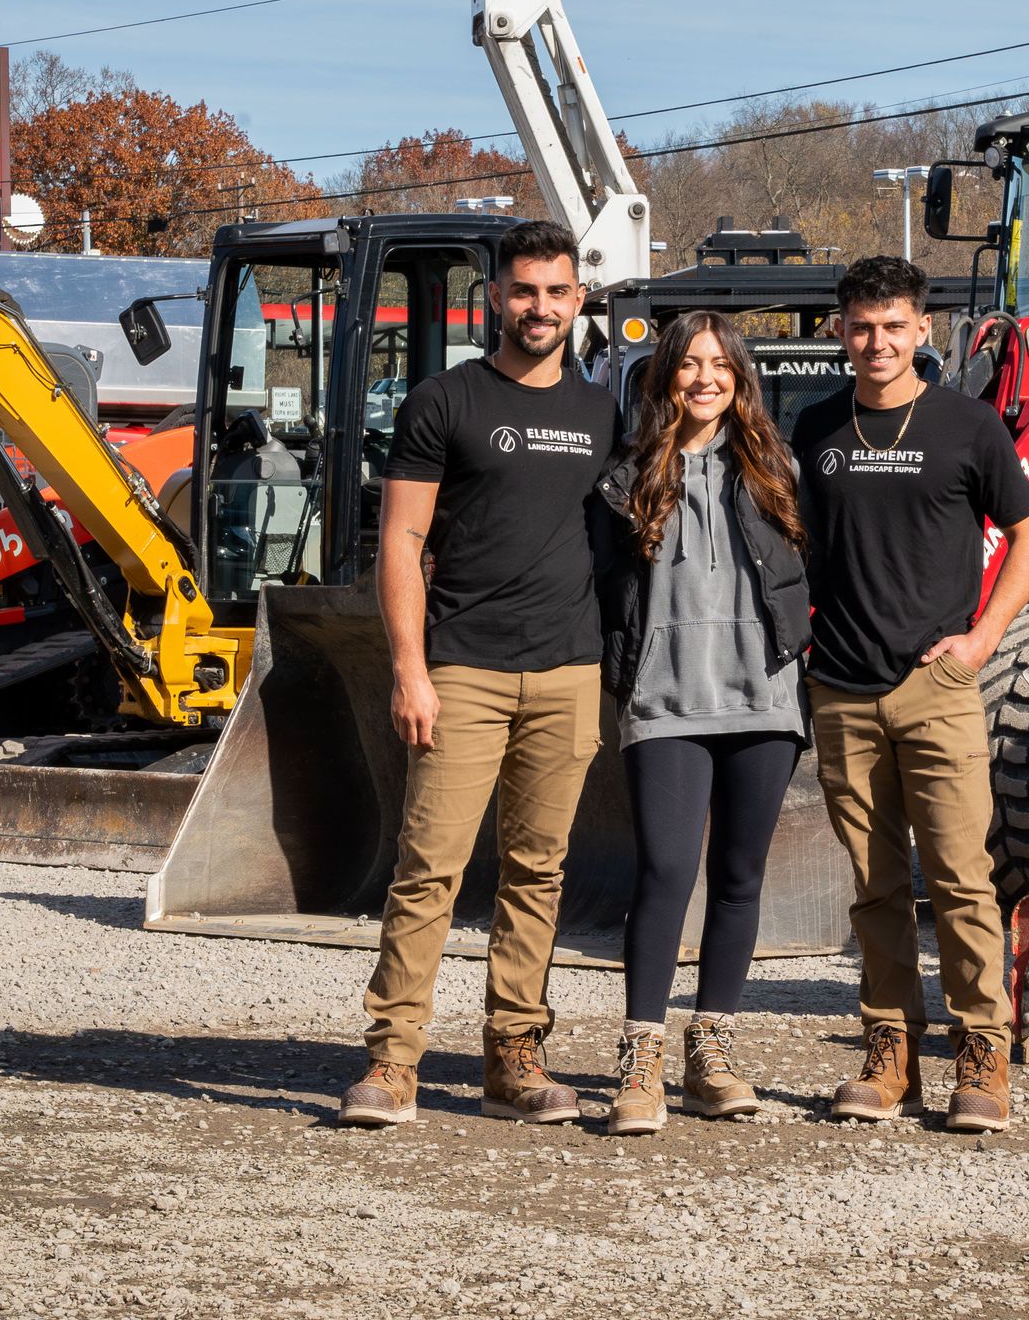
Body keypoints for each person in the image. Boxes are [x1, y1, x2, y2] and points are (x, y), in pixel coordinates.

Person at [339, 220, 618, 1129]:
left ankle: (513, 1060)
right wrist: (410, 671)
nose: (540, 308)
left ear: (580, 301)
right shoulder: (445, 400)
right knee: (430, 869)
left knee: (539, 874)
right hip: (463, 670)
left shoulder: (601, 412)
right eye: (525, 290)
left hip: (569, 671)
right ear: (496, 296)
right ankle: (392, 1063)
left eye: (557, 292)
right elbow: (401, 541)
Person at [790, 255, 1029, 1134]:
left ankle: (982, 1055)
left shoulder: (967, 426)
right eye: (861, 327)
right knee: (873, 886)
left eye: (893, 326)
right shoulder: (817, 430)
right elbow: (797, 554)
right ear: (840, 331)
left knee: (963, 879)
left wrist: (980, 643)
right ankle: (889, 1051)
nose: (877, 343)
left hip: (937, 687)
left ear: (922, 330)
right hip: (842, 688)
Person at [590, 312, 811, 1136]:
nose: (705, 378)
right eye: (689, 364)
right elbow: (604, 588)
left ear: (741, 377)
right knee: (664, 873)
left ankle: (710, 1048)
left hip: (763, 696)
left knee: (740, 877)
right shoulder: (626, 475)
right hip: (666, 700)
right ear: (665, 377)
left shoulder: (775, 467)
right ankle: (640, 1056)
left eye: (721, 364)